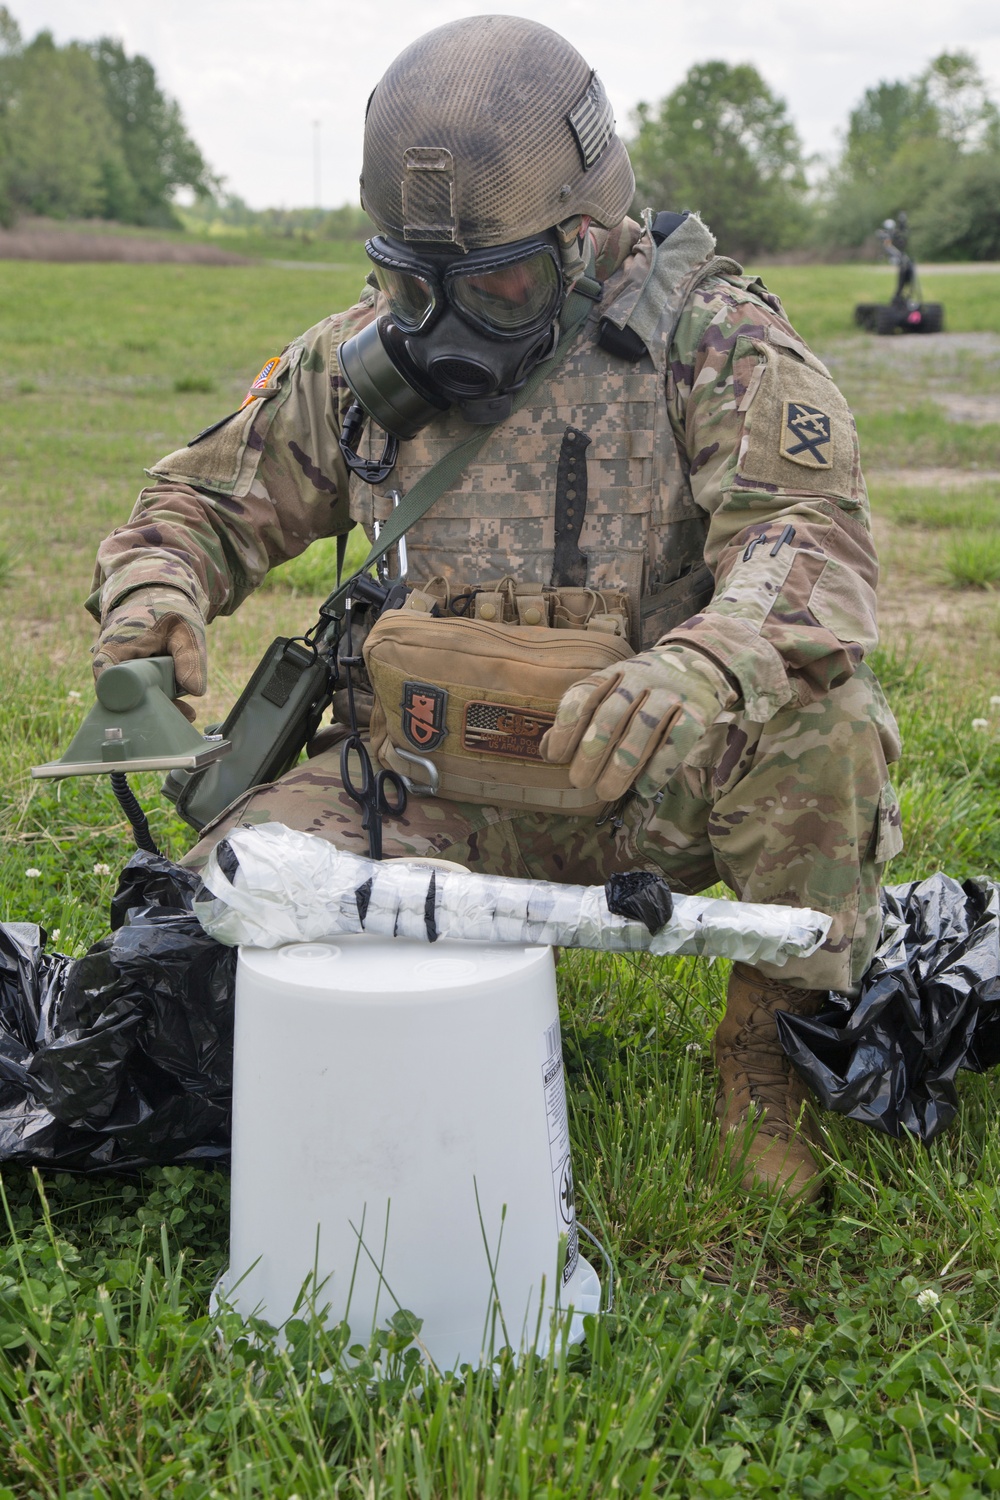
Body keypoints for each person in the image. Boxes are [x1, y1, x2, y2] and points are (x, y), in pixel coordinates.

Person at [88, 16, 903, 1204]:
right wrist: (157, 589)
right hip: (418, 780)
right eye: (407, 284)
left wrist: (703, 662)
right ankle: (394, 1019)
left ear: (583, 240)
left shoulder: (710, 342)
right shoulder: (357, 368)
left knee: (822, 726)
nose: (444, 328)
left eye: (497, 286)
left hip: (644, 781)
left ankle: (764, 1052)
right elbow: (198, 500)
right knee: (238, 887)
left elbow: (809, 535)